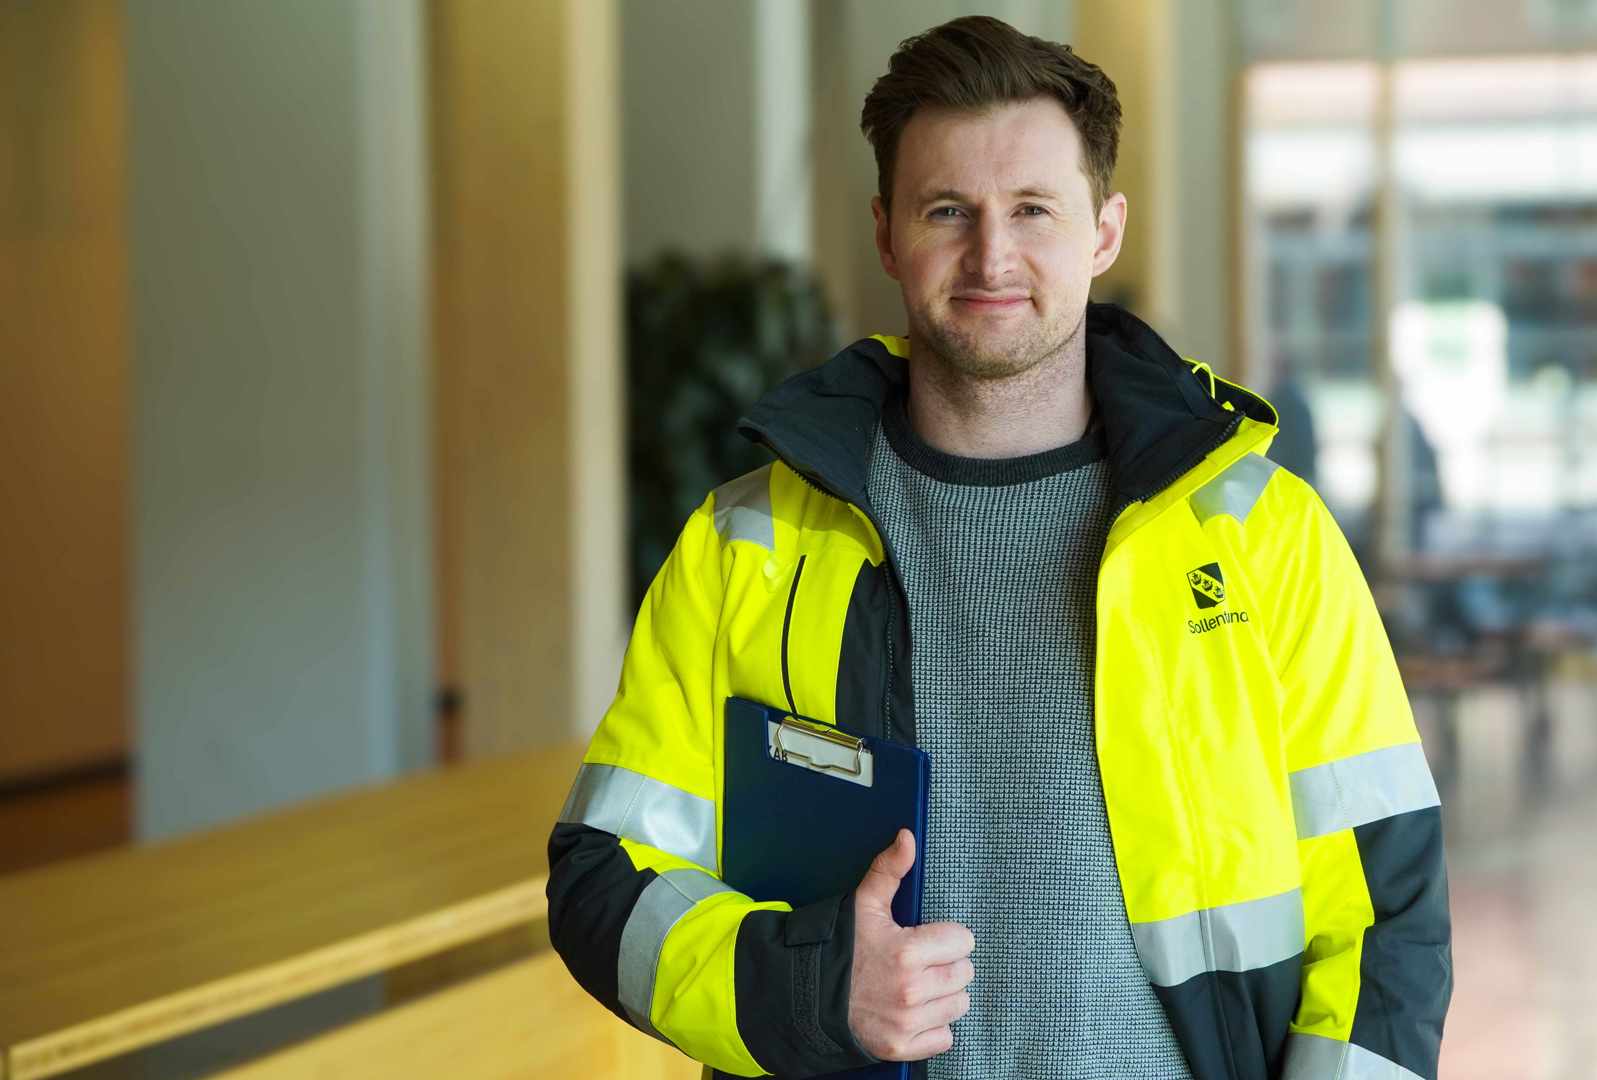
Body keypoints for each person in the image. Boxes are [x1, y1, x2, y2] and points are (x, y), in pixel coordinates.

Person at [547, 16, 1450, 1079]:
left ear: (1103, 231)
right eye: (947, 210)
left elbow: (1386, 917)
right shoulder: (747, 545)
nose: (991, 257)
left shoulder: (1264, 538)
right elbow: (602, 875)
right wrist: (806, 988)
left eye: (1032, 209)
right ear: (887, 234)